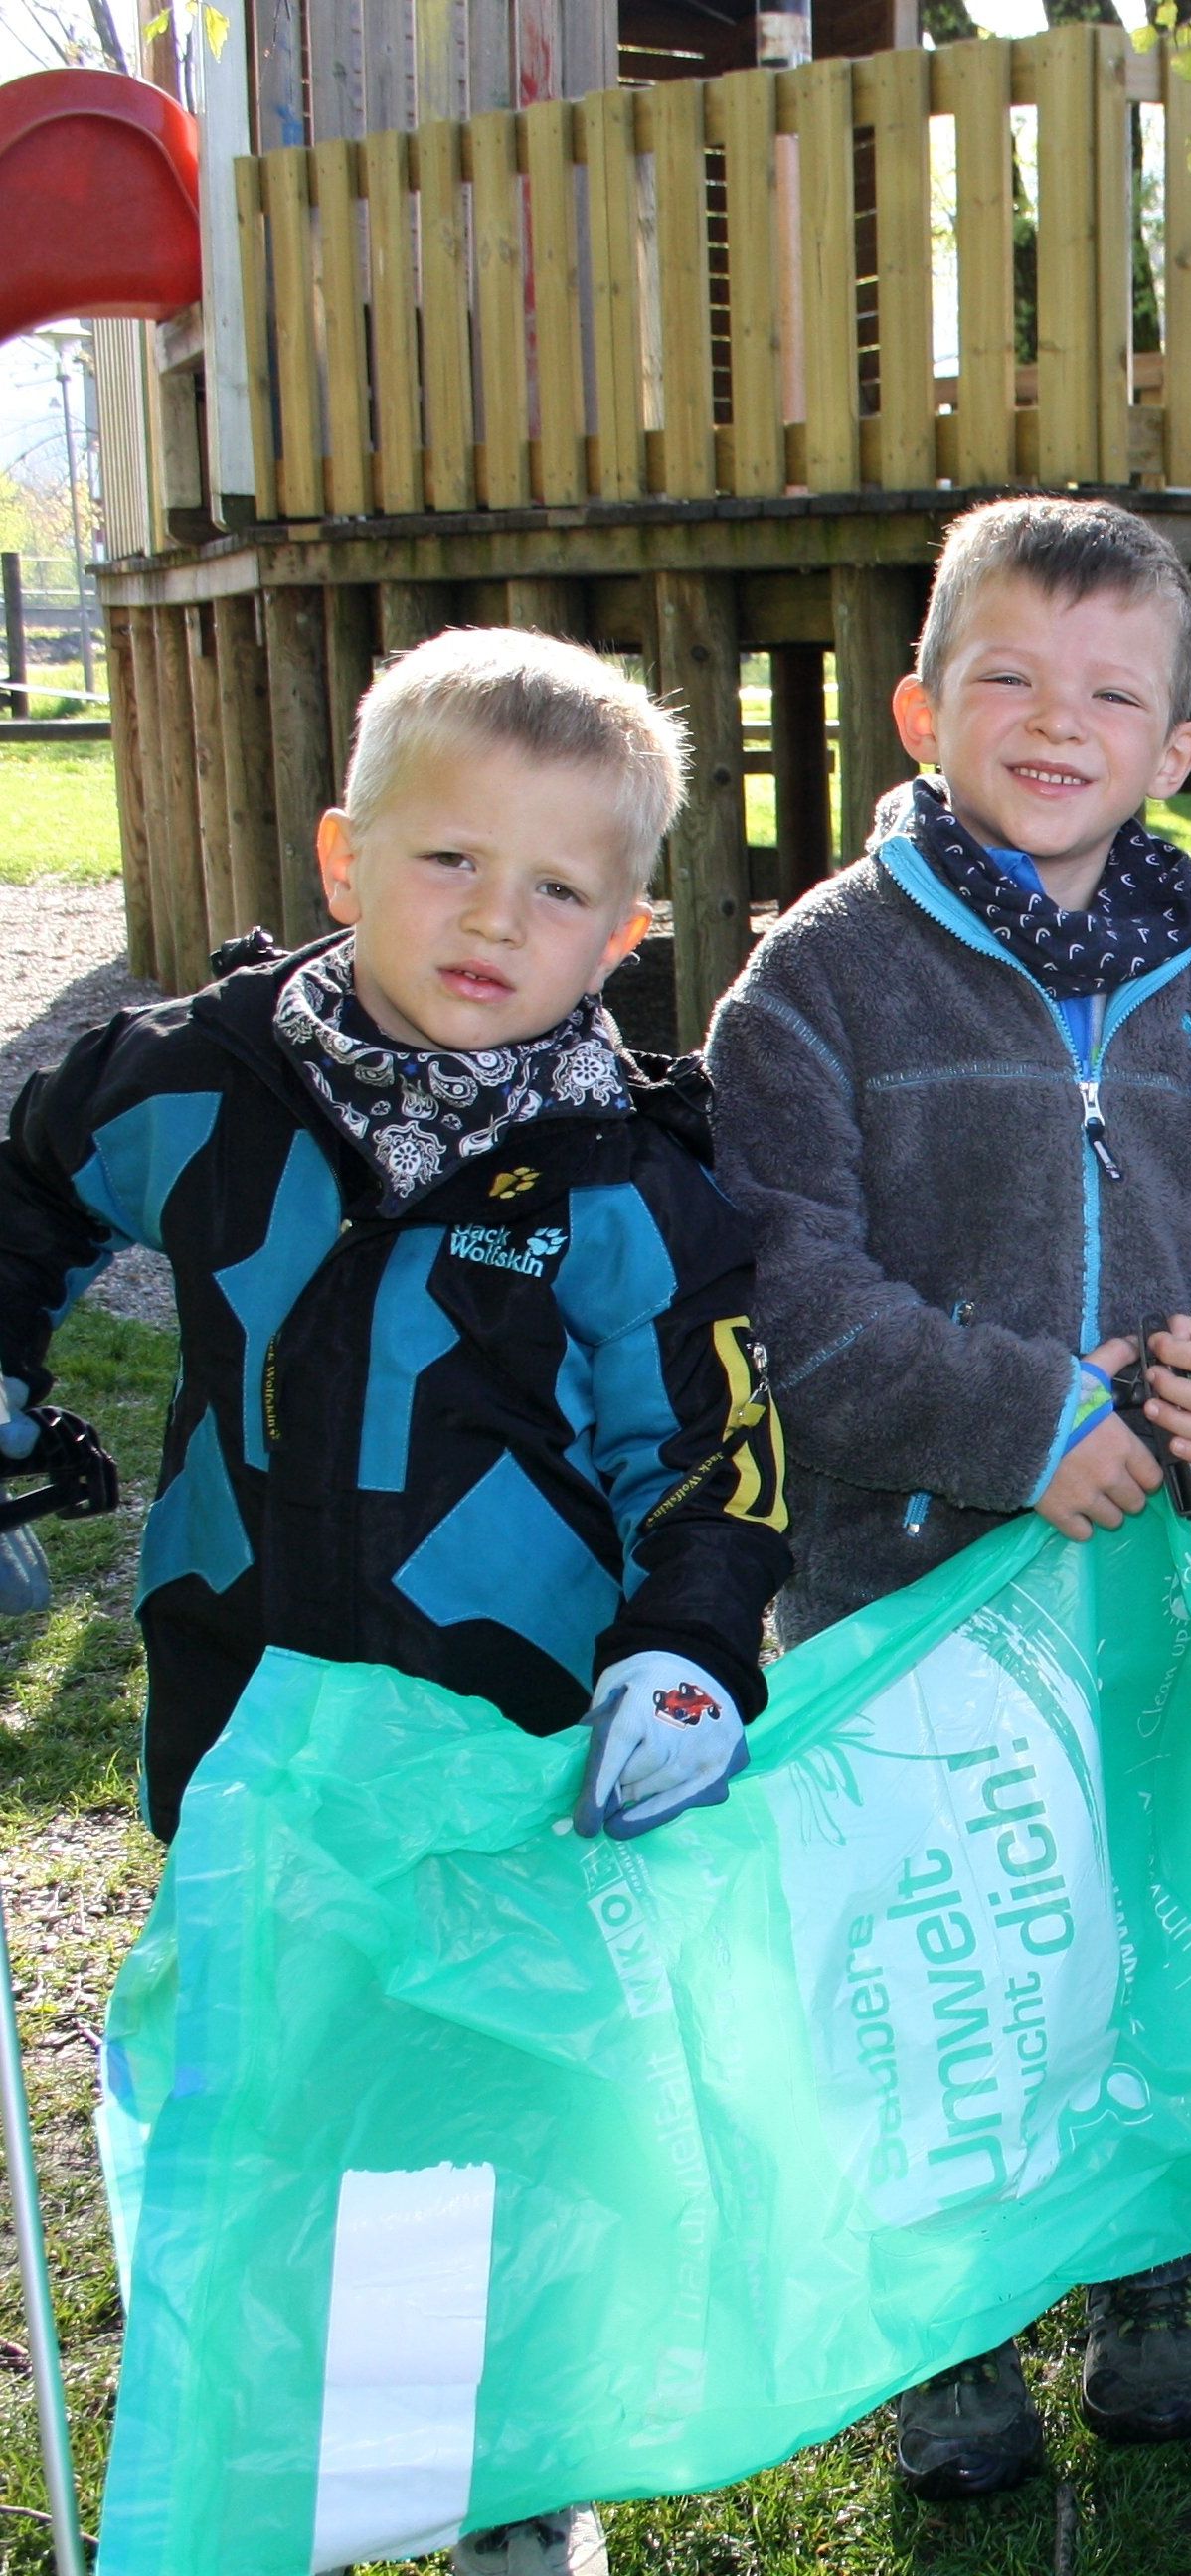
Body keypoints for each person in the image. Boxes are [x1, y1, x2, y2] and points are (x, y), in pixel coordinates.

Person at [0, 627, 789, 2576]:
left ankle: (510, 2482)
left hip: (503, 1747)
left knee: (488, 2124)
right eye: (449, 862)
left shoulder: (626, 1184)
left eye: (557, 889)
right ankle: (262, 2452)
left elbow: (714, 1451)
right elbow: (21, 1179)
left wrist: (690, 1646)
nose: (492, 919)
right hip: (241, 1713)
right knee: (271, 2095)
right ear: (348, 858)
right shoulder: (199, 1085)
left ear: (624, 936)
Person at [705, 497, 1191, 2491]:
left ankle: (1155, 2266)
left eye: (1112, 695)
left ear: (1177, 754)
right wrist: (1017, 1415)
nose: (1059, 724)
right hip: (904, 1586)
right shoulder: (815, 982)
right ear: (919, 707)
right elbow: (788, 1290)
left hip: (1151, 1592)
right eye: (1011, 682)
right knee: (933, 1951)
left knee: (1144, 1926)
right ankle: (951, 2323)